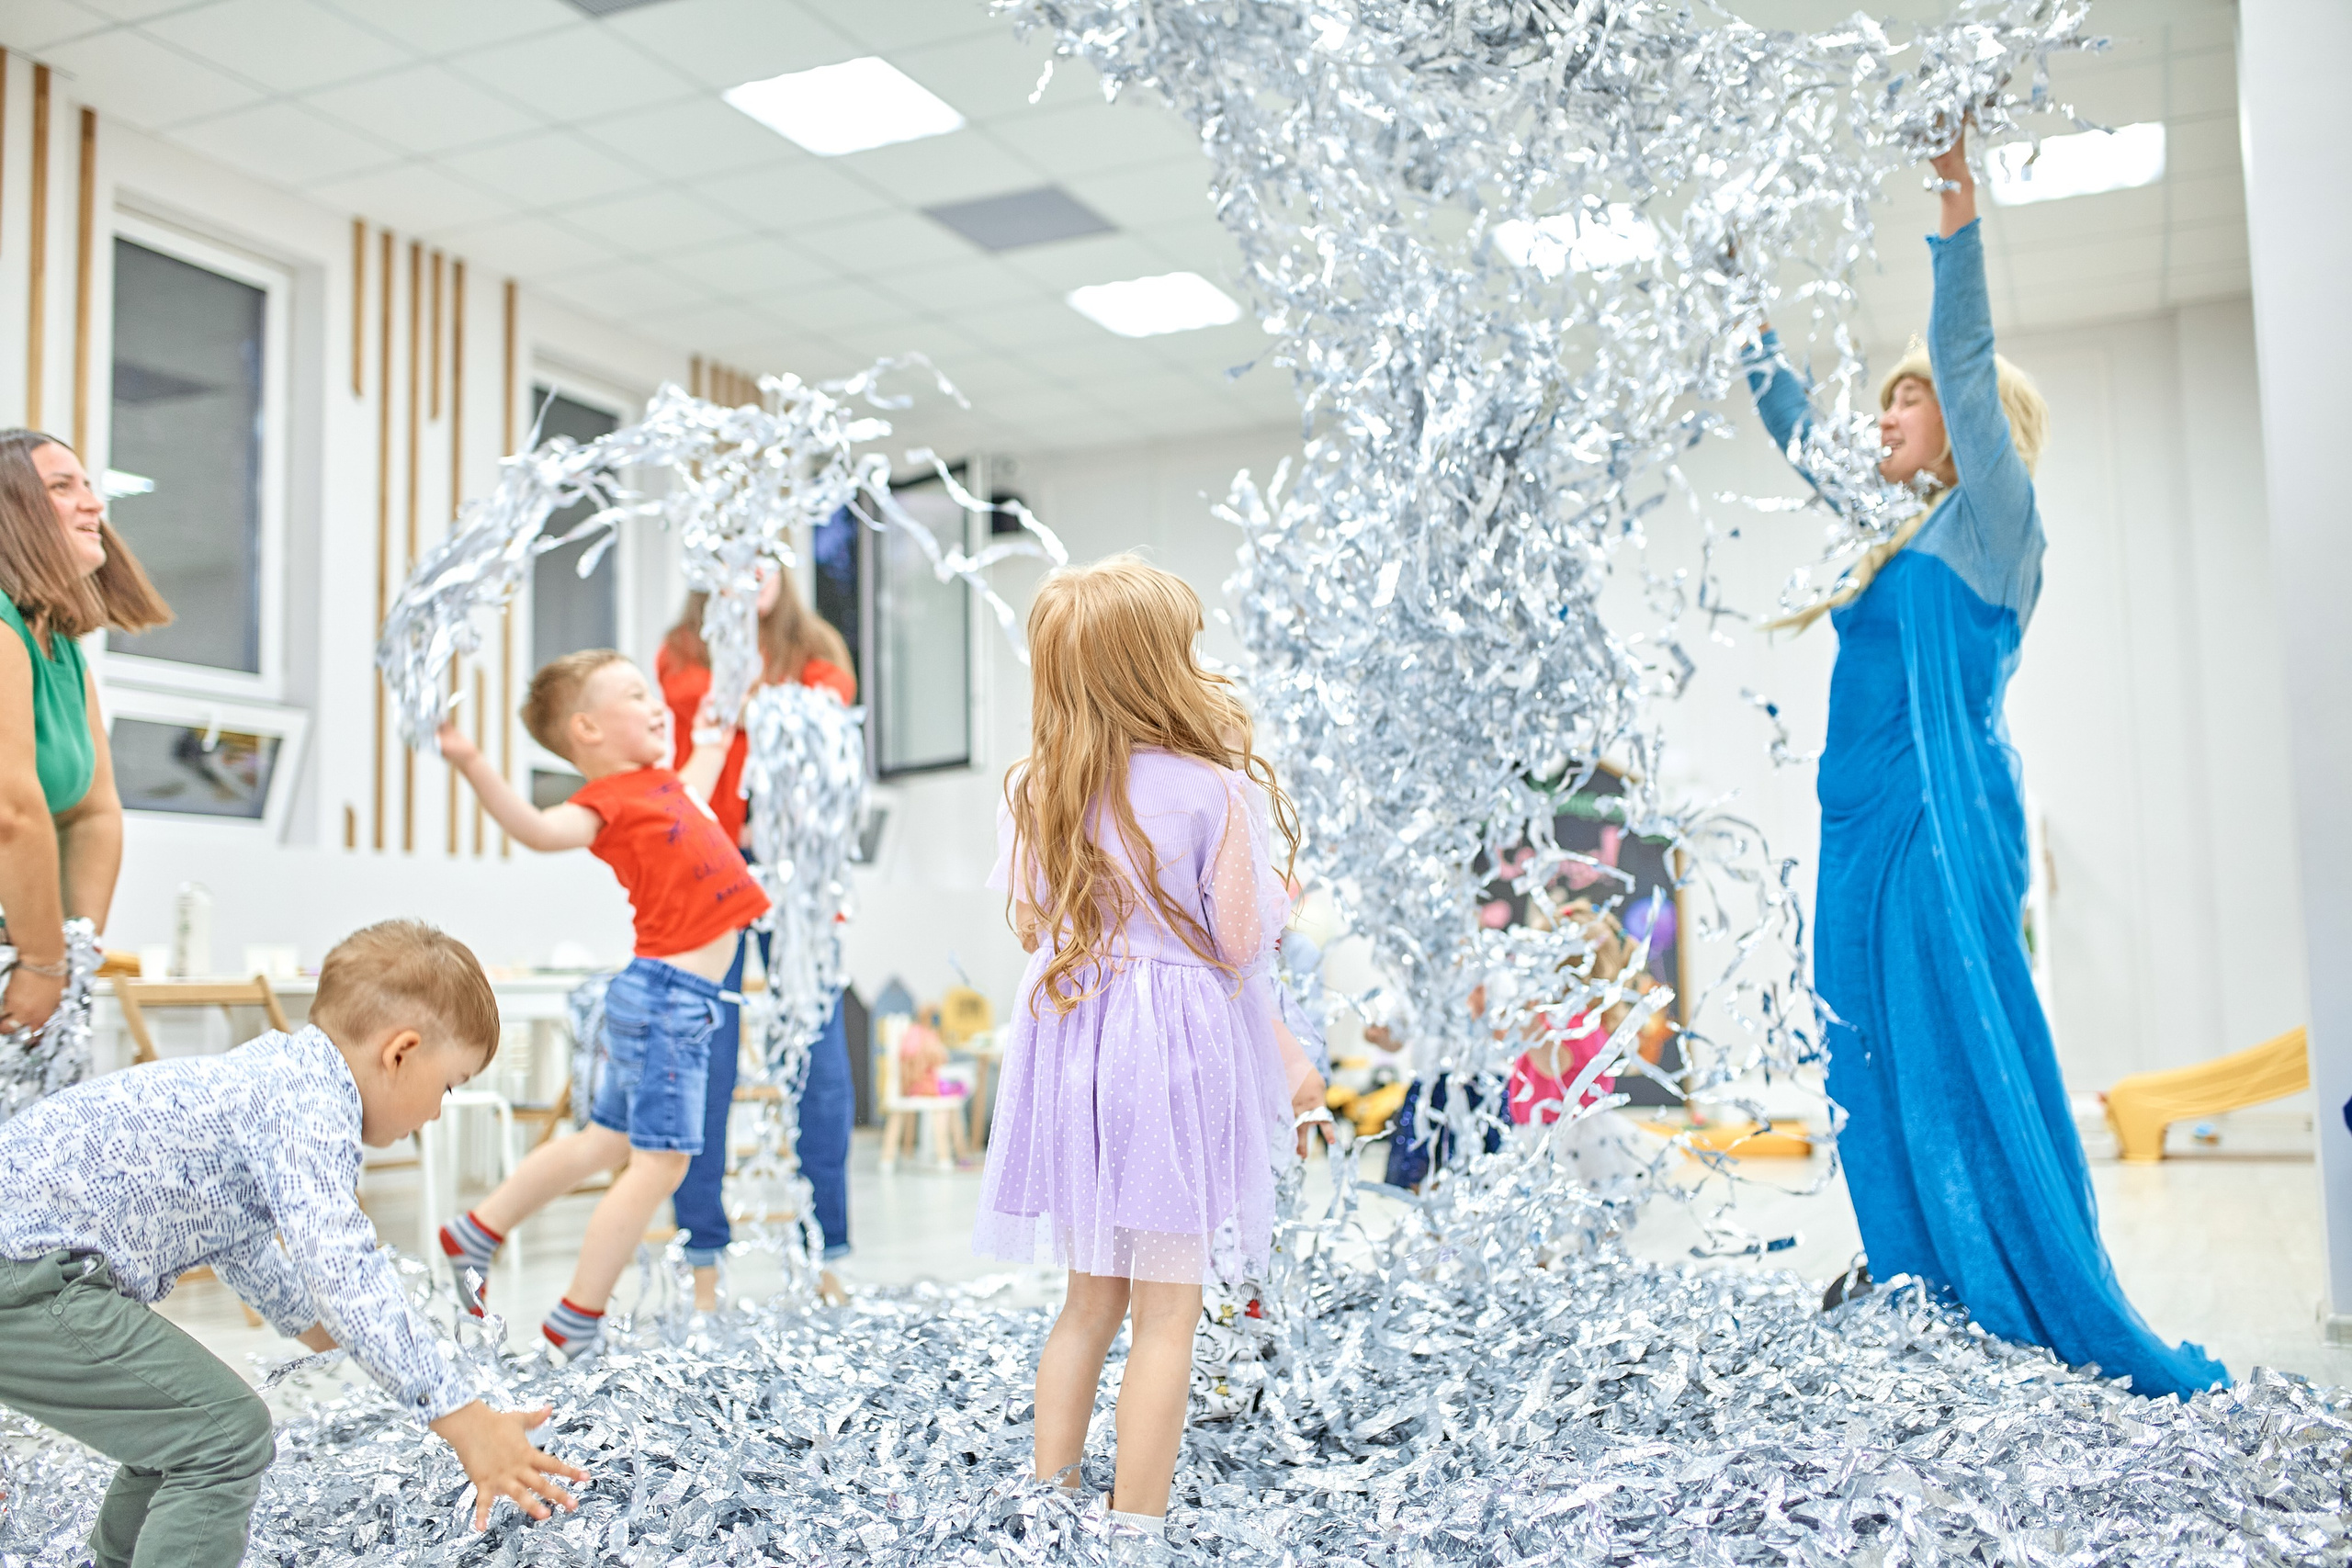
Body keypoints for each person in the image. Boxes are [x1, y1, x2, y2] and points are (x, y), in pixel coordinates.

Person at [1741, 127, 2223, 1395]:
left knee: (1961, 1057)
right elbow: (1799, 434)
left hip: (1942, 840)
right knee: (1872, 1070)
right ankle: (1919, 1296)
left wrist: (1954, 206)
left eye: (1903, 400)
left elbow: (1959, 353)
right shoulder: (1896, 530)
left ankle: (2014, 1300)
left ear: (1964, 426)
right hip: (1856, 833)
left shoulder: (1996, 524)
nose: (1884, 414)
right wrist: (1741, 310)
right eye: (1889, 398)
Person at [0, 920, 587, 1566]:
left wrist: (314, 1325)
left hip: (31, 1265)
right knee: (224, 1435)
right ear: (400, 1051)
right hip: (29, 1276)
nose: (438, 1111)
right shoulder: (313, 1103)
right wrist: (461, 1415)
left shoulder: (278, 1075)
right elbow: (342, 1266)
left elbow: (234, 1232)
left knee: (179, 1425)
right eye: (448, 1084)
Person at [973, 556, 1325, 1537]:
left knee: (1090, 1298)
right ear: (1156, 665)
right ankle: (1136, 1527)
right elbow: (1244, 946)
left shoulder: (1038, 788)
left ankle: (1049, 1499)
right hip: (1171, 1051)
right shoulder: (1213, 791)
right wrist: (1289, 1062)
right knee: (1169, 1310)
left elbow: (1034, 918)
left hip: (1074, 1038)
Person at [434, 649, 769, 1354]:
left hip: (663, 998)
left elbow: (700, 785)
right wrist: (472, 761)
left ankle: (477, 1229)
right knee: (661, 1162)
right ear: (586, 729)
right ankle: (577, 1317)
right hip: (668, 1003)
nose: (656, 706)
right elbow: (535, 828)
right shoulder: (606, 802)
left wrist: (715, 729)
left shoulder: (662, 786)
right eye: (637, 695)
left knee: (606, 1140)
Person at [655, 570, 856, 1309]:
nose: (754, 575)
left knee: (821, 1061)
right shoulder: (681, 649)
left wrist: (746, 708)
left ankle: (827, 1252)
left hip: (797, 878)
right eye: (737, 559)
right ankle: (703, 1258)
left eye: (766, 558)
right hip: (710, 867)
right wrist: (757, 706)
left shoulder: (817, 647)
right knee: (705, 1057)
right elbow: (693, 712)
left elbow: (828, 704)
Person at [0, 430, 169, 1034]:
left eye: (90, 487)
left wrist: (73, 955)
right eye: (62, 487)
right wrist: (44, 961)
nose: (94, 505)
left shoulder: (63, 653)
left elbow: (93, 814)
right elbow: (11, 812)